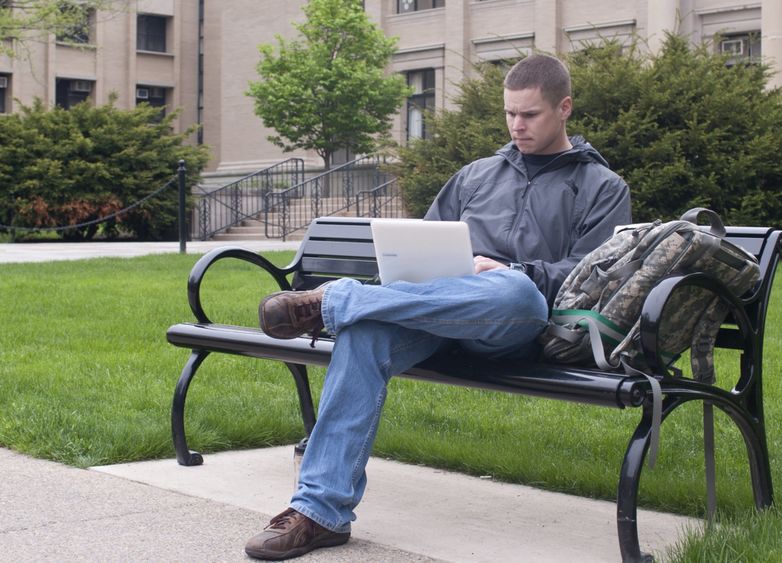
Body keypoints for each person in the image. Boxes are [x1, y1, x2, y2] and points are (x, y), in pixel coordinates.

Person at [244, 53, 631, 561]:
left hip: (517, 325)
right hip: (435, 318)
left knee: (513, 290)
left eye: (530, 114)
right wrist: (420, 271)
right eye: (510, 113)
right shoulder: (476, 176)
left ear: (564, 109)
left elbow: (591, 277)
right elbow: (418, 247)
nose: (517, 125)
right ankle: (319, 512)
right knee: (363, 332)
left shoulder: (602, 187)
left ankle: (334, 299)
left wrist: (514, 272)